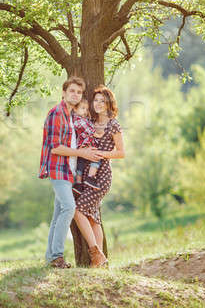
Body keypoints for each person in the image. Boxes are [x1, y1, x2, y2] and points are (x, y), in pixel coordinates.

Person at [39, 76, 103, 269]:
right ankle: (57, 256)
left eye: (79, 92)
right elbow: (55, 148)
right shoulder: (57, 113)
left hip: (68, 171)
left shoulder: (69, 115)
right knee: (69, 208)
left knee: (58, 213)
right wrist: (81, 152)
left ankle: (51, 257)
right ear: (64, 92)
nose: (75, 94)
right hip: (58, 170)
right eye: (72, 91)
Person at [73, 85, 125, 268]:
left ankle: (96, 253)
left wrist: (101, 154)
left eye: (102, 101)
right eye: (96, 100)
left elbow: (121, 153)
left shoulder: (114, 124)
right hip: (86, 175)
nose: (98, 103)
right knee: (93, 217)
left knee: (77, 211)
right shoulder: (89, 120)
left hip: (101, 176)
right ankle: (100, 262)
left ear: (109, 103)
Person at [71, 98, 103, 196]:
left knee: (80, 164)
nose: (85, 111)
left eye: (86, 109)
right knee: (97, 158)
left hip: (80, 148)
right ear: (75, 109)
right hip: (86, 146)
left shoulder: (79, 119)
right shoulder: (79, 120)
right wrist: (99, 135)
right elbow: (90, 131)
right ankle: (90, 177)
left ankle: (78, 184)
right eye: (83, 108)